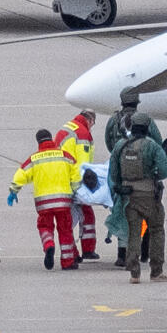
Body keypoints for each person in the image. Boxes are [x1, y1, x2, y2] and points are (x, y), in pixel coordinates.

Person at [108, 113, 167, 284]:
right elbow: (165, 170)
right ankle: (156, 271)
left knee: (133, 233)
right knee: (156, 230)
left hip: (129, 197)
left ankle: (134, 273)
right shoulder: (152, 146)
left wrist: (122, 184)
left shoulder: (120, 145)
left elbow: (113, 172)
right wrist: (153, 175)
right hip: (150, 195)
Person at [8, 129, 81, 270]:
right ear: (51, 139)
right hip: (63, 201)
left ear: (38, 142)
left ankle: (49, 245)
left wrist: (13, 191)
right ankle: (67, 262)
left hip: (44, 203)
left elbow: (21, 175)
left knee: (45, 226)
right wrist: (76, 191)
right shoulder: (65, 156)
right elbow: (76, 175)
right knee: (65, 229)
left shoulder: (34, 159)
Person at [104, 88, 162, 267]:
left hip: (119, 175)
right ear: (137, 101)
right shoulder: (146, 120)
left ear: (122, 101)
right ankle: (143, 250)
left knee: (121, 211)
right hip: (144, 176)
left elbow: (108, 143)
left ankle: (122, 253)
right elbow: (158, 143)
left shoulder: (113, 120)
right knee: (148, 213)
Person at [55, 110, 100, 260]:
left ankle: (73, 252)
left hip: (61, 178)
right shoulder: (82, 134)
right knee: (86, 215)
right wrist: (84, 184)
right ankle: (87, 250)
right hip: (74, 181)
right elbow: (82, 163)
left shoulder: (68, 127)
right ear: (90, 120)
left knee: (68, 219)